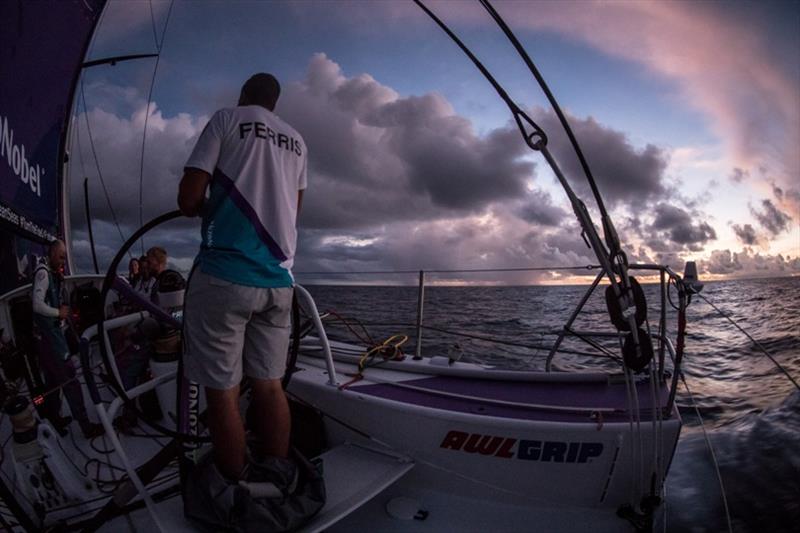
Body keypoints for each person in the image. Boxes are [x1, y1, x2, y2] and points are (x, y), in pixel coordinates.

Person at [178, 72, 306, 483]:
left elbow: (188, 198)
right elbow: (292, 210)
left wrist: (209, 206)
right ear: (276, 102)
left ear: (243, 95)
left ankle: (234, 492)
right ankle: (277, 480)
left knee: (223, 392)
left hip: (224, 278)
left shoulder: (226, 120)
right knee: (270, 388)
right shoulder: (298, 142)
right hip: (279, 284)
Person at [32, 240, 104, 438]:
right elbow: (37, 305)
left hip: (45, 340)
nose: (63, 261)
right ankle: (86, 427)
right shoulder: (43, 273)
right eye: (62, 257)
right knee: (71, 380)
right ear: (53, 253)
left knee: (53, 383)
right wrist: (59, 313)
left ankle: (54, 419)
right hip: (52, 339)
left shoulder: (51, 273)